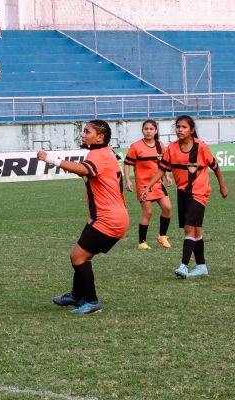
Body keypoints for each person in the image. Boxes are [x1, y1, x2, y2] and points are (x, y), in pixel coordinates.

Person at [38, 120, 129, 314]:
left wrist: (52, 160)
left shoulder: (98, 154)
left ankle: (92, 302)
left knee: (77, 257)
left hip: (109, 219)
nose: (83, 134)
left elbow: (86, 170)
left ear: (100, 137)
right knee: (82, 256)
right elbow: (89, 173)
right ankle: (77, 296)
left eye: (87, 131)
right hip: (105, 217)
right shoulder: (105, 153)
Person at [141, 115, 228, 278]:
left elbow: (215, 167)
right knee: (195, 229)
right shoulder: (172, 148)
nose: (180, 130)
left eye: (184, 127)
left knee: (189, 228)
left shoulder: (201, 147)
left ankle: (184, 265)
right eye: (178, 127)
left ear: (192, 130)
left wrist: (222, 186)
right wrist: (148, 186)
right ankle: (201, 266)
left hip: (199, 192)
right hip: (182, 193)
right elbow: (162, 170)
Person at [124, 119, 173, 249]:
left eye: (151, 129)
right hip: (143, 185)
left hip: (157, 183)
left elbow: (162, 164)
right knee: (148, 212)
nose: (148, 131)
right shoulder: (136, 146)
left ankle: (162, 236)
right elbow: (128, 163)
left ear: (155, 131)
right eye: (146, 129)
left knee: (167, 208)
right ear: (142, 131)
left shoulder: (160, 145)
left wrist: (167, 176)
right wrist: (128, 180)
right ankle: (142, 242)